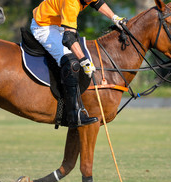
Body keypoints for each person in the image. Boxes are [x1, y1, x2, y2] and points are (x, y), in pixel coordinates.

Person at [31, 0, 126, 128]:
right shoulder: (71, 3)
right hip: (44, 26)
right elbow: (68, 38)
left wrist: (115, 18)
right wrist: (83, 61)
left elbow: (97, 3)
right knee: (72, 63)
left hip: (58, 24)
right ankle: (73, 114)